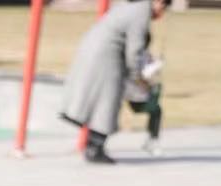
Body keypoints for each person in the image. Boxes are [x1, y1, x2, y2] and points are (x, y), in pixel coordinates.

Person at [60, 0, 167, 165]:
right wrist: (138, 77)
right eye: (163, 6)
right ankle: (95, 148)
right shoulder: (141, 12)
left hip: (95, 47)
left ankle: (91, 142)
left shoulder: (131, 6)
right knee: (108, 101)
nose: (162, 12)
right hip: (107, 53)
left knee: (100, 99)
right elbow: (134, 50)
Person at [123, 44, 164, 155]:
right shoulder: (136, 56)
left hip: (137, 94)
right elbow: (140, 75)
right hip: (134, 95)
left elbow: (148, 72)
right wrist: (154, 67)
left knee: (156, 110)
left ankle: (152, 140)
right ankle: (152, 140)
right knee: (156, 110)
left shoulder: (143, 54)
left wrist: (156, 65)